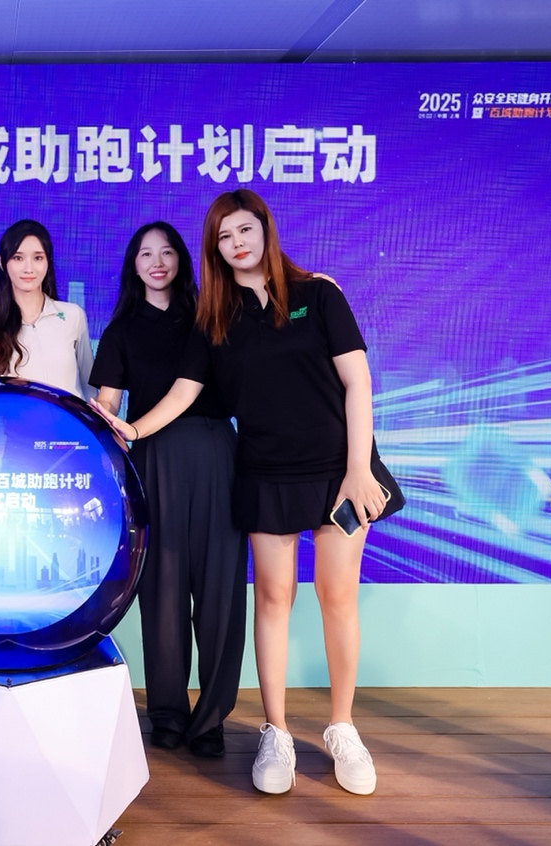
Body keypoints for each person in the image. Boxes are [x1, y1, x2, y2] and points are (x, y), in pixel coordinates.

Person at [101, 190, 403, 796]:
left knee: (338, 598)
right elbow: (185, 392)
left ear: (266, 229)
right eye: (223, 236)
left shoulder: (319, 293)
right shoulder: (214, 319)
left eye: (245, 230)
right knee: (272, 599)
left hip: (339, 473)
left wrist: (358, 469)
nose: (236, 243)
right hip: (265, 473)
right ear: (213, 249)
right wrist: (132, 429)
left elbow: (358, 382)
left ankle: (343, 728)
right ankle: (277, 732)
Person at [89, 222, 246, 758]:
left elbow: (205, 389)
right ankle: (168, 714)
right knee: (161, 589)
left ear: (182, 258)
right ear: (133, 265)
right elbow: (108, 401)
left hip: (215, 452)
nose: (157, 262)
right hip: (151, 459)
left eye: (167, 252)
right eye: (145, 254)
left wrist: (132, 428)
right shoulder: (121, 329)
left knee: (220, 590)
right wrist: (101, 421)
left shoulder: (212, 315)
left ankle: (212, 718)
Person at [0, 219, 95, 399]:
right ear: (2, 262)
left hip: (70, 417)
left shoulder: (72, 316)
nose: (28, 268)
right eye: (18, 258)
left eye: (38, 258)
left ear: (48, 262)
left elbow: (90, 388)